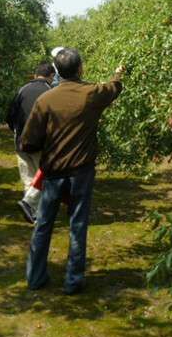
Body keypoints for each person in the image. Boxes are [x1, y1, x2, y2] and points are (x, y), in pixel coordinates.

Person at [20, 47, 124, 294]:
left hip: (54, 172)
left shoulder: (45, 100)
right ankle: (73, 281)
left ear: (57, 71)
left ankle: (35, 277)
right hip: (81, 172)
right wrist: (118, 75)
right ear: (80, 69)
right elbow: (114, 88)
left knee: (43, 223)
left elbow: (28, 141)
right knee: (77, 224)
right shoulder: (91, 94)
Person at [5, 62, 55, 224]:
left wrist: (17, 131)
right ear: (51, 76)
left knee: (28, 178)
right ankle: (36, 210)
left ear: (35, 75)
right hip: (40, 144)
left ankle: (31, 213)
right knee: (43, 179)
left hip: (21, 142)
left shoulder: (22, 90)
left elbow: (10, 116)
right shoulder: (50, 92)